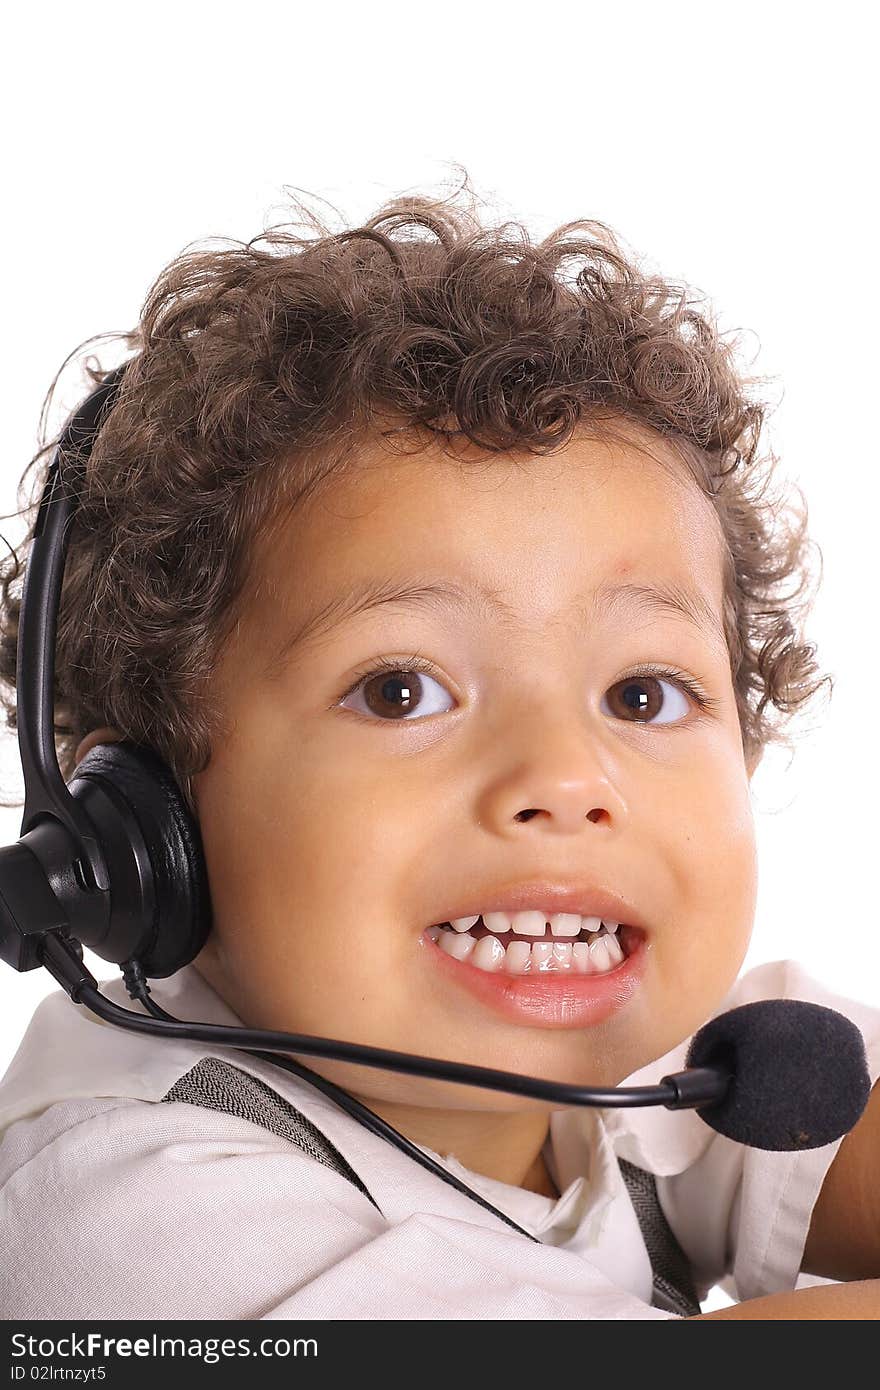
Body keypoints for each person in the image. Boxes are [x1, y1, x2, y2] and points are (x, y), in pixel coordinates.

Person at [1, 179, 878, 1320]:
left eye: (642, 692)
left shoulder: (697, 1074)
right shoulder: (124, 1203)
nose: (565, 780)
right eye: (402, 689)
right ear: (147, 825)